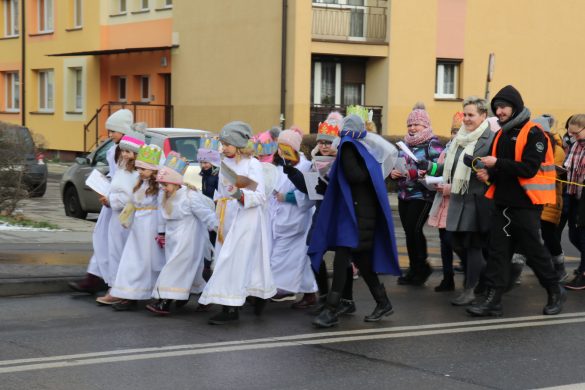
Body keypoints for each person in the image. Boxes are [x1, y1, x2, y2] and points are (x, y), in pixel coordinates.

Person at [467, 85, 565, 317]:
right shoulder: (501, 133)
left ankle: (555, 291)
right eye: (497, 108)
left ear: (516, 106)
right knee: (497, 254)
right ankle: (493, 300)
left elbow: (529, 169)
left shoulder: (534, 133)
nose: (499, 112)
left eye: (503, 107)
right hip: (502, 203)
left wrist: (496, 164)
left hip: (526, 205)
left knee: (535, 253)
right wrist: (488, 174)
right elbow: (499, 169)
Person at [308, 114, 401, 328]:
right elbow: (356, 178)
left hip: (358, 216)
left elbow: (354, 177)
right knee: (363, 263)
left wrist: (338, 161)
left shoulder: (349, 148)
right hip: (360, 215)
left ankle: (331, 310)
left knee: (342, 260)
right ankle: (383, 302)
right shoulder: (364, 150)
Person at [198, 121, 276, 325]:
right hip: (227, 217)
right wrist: (217, 213)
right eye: (222, 144)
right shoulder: (224, 163)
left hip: (246, 219)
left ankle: (230, 308)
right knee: (230, 259)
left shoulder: (253, 165)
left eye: (227, 144)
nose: (223, 148)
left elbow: (259, 195)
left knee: (232, 260)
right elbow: (221, 192)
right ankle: (255, 295)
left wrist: (241, 194)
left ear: (239, 144)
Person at [422, 97, 495, 305]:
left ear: (483, 116)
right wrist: (429, 166)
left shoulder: (490, 139)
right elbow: (448, 167)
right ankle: (489, 278)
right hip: (458, 200)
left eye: (471, 115)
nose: (467, 119)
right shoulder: (459, 138)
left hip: (477, 200)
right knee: (454, 242)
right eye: (465, 115)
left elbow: (493, 169)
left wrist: (480, 167)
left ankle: (470, 289)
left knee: (472, 247)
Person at [69, 109, 134, 294]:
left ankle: (116, 285)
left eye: (113, 131)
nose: (110, 134)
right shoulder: (114, 150)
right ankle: (95, 278)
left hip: (121, 205)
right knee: (103, 240)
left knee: (116, 245)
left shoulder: (129, 152)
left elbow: (130, 180)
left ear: (123, 131)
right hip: (112, 202)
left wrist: (113, 196)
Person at [147, 157, 217, 315]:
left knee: (174, 268)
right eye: (161, 185)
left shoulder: (190, 196)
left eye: (165, 184)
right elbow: (163, 217)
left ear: (176, 182)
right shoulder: (165, 197)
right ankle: (205, 297)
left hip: (188, 238)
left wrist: (217, 227)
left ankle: (164, 300)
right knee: (189, 271)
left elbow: (206, 214)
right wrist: (162, 233)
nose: (163, 188)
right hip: (174, 238)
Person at [508, 115, 568, 286]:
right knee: (526, 235)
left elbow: (549, 174)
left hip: (549, 200)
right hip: (531, 199)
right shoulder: (530, 144)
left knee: (548, 235)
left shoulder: (557, 150)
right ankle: (516, 273)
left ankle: (559, 268)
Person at [390, 103, 444, 286]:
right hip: (405, 193)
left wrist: (420, 173)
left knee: (414, 230)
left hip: (422, 194)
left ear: (426, 125)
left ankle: (422, 268)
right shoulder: (403, 144)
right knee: (408, 232)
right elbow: (397, 164)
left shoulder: (432, 143)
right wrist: (394, 173)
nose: (412, 128)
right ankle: (414, 269)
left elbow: (439, 169)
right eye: (410, 125)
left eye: (417, 124)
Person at [109, 144, 165, 311]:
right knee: (132, 260)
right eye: (139, 168)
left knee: (149, 261)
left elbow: (162, 208)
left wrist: (161, 230)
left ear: (154, 170)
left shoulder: (158, 188)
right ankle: (129, 294)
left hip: (150, 227)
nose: (140, 172)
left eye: (144, 169)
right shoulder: (140, 183)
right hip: (138, 227)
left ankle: (153, 293)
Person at [268, 129, 318, 303]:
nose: (281, 150)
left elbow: (311, 193)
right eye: (280, 146)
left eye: (285, 146)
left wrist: (288, 197)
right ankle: (308, 293)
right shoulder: (282, 165)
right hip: (280, 218)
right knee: (301, 261)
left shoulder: (305, 166)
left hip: (297, 219)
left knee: (285, 257)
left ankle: (273, 288)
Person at [96, 132, 143, 305]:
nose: (124, 154)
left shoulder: (137, 172)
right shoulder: (123, 168)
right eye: (123, 151)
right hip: (117, 218)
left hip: (127, 220)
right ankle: (118, 288)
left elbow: (132, 197)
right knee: (115, 252)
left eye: (128, 152)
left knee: (123, 254)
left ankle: (120, 289)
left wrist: (111, 200)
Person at [427, 112, 467, 292]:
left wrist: (448, 188)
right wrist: (429, 180)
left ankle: (471, 271)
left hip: (458, 204)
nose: (454, 134)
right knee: (444, 242)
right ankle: (447, 277)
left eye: (458, 130)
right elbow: (439, 173)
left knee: (455, 242)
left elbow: (469, 181)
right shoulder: (446, 151)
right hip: (443, 203)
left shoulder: (467, 151)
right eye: (453, 131)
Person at [563, 114, 585, 290]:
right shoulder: (575, 145)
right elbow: (568, 167)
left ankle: (583, 273)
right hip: (573, 196)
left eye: (576, 133)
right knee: (573, 235)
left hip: (583, 198)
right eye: (571, 134)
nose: (573, 137)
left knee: (583, 237)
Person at [197, 139, 221, 281]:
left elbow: (218, 193)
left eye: (206, 163)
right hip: (208, 208)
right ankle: (207, 264)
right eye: (201, 162)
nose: (203, 165)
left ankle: (211, 264)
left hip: (215, 209)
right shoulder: (205, 175)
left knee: (213, 237)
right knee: (208, 237)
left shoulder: (216, 175)